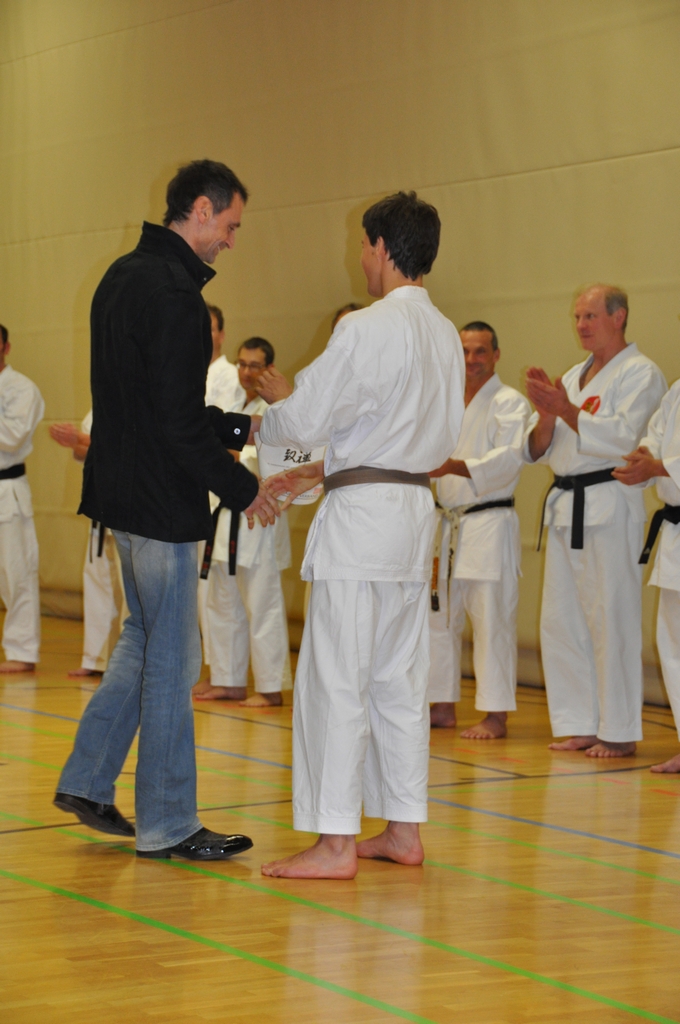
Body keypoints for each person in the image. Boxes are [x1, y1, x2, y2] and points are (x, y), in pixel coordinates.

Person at [54, 159, 279, 861]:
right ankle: (169, 822)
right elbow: (177, 425)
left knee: (144, 641)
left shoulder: (121, 276)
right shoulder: (177, 295)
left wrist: (242, 427)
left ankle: (88, 780)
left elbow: (153, 407)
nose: (231, 240)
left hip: (122, 498)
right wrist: (246, 489)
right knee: (175, 660)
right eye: (231, 225)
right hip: (159, 504)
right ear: (202, 210)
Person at [257, 191, 465, 879]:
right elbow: (387, 434)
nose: (361, 260)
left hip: (364, 520)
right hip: (410, 513)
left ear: (379, 247)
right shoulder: (444, 333)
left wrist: (274, 413)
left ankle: (335, 843)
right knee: (397, 679)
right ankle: (403, 830)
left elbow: (305, 417)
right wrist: (316, 466)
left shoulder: (367, 328)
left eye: (363, 248)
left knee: (337, 679)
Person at [524, 284, 666, 758]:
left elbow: (625, 438)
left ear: (618, 316)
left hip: (609, 502)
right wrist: (547, 415)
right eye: (578, 317)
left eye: (590, 316)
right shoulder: (573, 375)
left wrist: (564, 408)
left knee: (612, 617)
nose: (581, 325)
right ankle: (580, 721)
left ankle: (619, 730)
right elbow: (545, 449)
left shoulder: (641, 373)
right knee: (561, 620)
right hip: (566, 505)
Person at [428, 321, 530, 737]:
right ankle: (441, 703)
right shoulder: (446, 401)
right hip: (445, 523)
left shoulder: (510, 403)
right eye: (465, 351)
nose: (471, 360)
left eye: (480, 351)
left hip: (488, 522)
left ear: (496, 355)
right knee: (438, 616)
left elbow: (510, 458)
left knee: (491, 619)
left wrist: (453, 466)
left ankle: (495, 714)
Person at [194, 336, 293, 707]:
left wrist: (229, 456)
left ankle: (269, 687)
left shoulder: (279, 412)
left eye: (255, 365)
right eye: (242, 364)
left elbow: (278, 463)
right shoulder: (235, 408)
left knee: (262, 603)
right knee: (222, 602)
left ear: (270, 369)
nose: (247, 372)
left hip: (260, 517)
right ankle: (228, 680)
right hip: (224, 517)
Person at [613, 382, 680, 773]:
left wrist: (659, 466)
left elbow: (662, 461)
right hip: (674, 530)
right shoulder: (678, 391)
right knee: (672, 646)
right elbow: (654, 437)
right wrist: (643, 459)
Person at [49, 412, 127, 678]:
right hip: (100, 501)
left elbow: (124, 448)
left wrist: (81, 438)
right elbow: (88, 452)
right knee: (97, 580)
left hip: (130, 507)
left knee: (130, 588)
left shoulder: (139, 399)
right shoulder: (97, 407)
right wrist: (76, 443)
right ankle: (97, 657)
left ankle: (128, 661)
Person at [0, 323, 44, 673]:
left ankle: (22, 651)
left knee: (16, 572)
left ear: (6, 348)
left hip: (7, 491)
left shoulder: (21, 388)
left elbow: (12, 436)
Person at [205, 303, 244, 411]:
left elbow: (221, 415)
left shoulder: (229, 374)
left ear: (221, 336)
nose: (203, 335)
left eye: (209, 329)